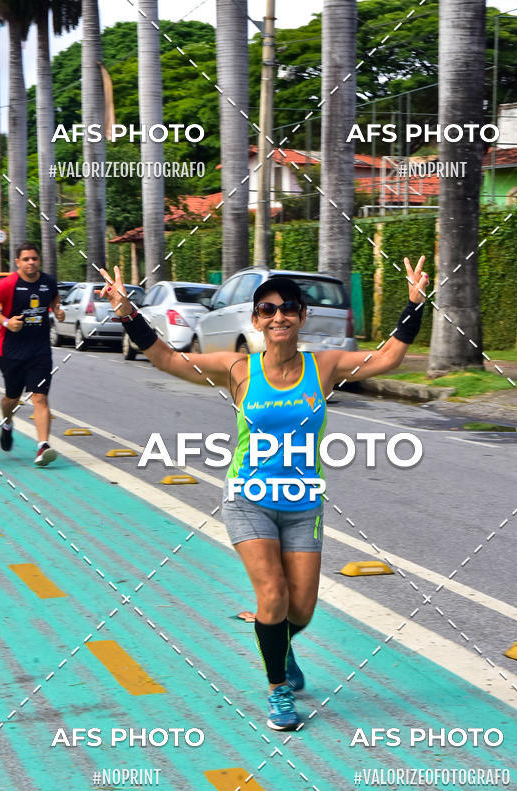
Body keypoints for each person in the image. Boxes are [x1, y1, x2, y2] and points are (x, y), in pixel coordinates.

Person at [100, 257, 428, 730]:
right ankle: (278, 690)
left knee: (302, 610)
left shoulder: (325, 366)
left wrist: (414, 304)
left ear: (302, 316)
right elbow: (168, 358)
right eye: (268, 309)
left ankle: (280, 644)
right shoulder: (238, 368)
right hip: (248, 499)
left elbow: (388, 357)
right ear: (256, 320)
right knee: (272, 594)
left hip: (303, 504)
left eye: (288, 308)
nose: (279, 316)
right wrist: (128, 312)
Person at [0, 242, 65, 466]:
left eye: (34, 258)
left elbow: (54, 299)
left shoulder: (48, 282)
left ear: (39, 260)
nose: (31, 263)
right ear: (18, 262)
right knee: (12, 398)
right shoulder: (8, 284)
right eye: (26, 259)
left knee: (40, 397)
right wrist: (6, 322)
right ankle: (7, 423)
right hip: (11, 351)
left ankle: (42, 447)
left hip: (40, 352)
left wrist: (58, 311)